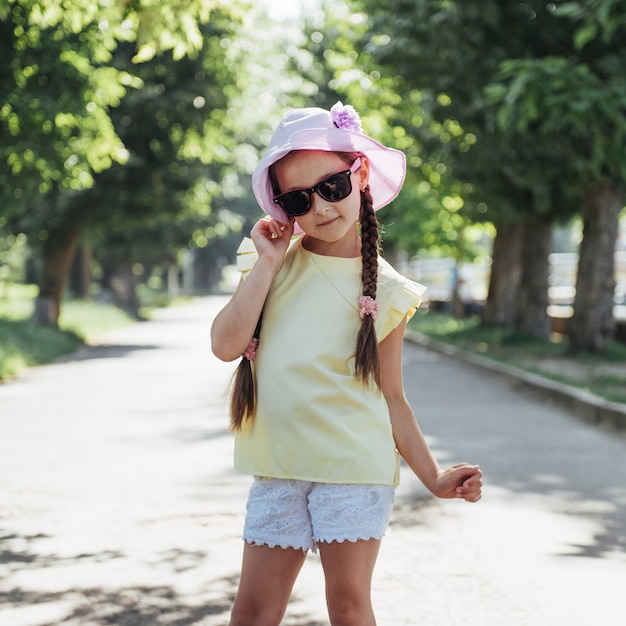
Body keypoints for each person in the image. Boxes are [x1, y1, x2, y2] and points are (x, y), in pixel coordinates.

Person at [211, 101, 483, 626]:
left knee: (349, 606)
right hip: (278, 468)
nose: (320, 207)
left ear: (359, 174)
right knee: (253, 611)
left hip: (354, 469)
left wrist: (433, 477)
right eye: (298, 198)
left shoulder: (387, 290)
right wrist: (268, 263)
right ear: (284, 208)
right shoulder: (269, 266)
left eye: (332, 187)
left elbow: (392, 397)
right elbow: (226, 346)